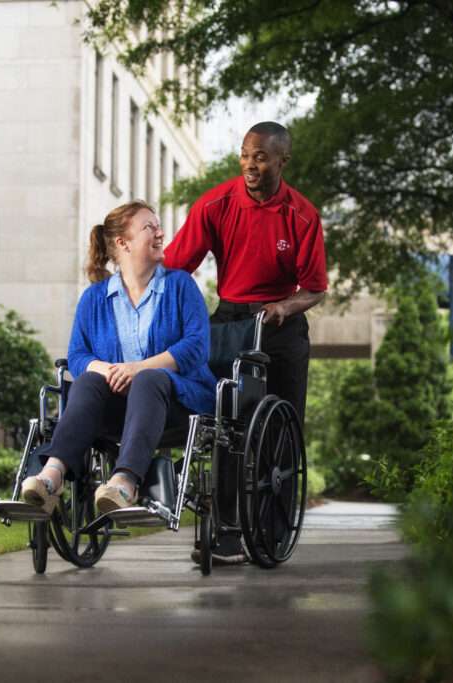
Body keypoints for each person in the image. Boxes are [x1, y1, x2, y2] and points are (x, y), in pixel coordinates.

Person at [165, 121, 328, 563]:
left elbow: (315, 288)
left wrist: (283, 307)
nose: (250, 164)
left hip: (283, 326)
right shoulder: (216, 204)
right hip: (233, 318)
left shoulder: (301, 215)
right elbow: (177, 264)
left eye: (260, 156)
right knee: (227, 429)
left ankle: (272, 536)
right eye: (245, 154)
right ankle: (228, 536)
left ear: (281, 161)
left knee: (280, 430)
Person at [21, 201, 216, 515]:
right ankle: (51, 476)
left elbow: (196, 347)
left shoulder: (180, 286)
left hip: (179, 406)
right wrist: (109, 370)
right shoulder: (94, 298)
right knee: (89, 380)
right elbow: (78, 355)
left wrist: (136, 369)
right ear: (123, 243)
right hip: (117, 408)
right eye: (149, 227)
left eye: (158, 226)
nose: (161, 233)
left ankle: (125, 482)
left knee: (150, 378)